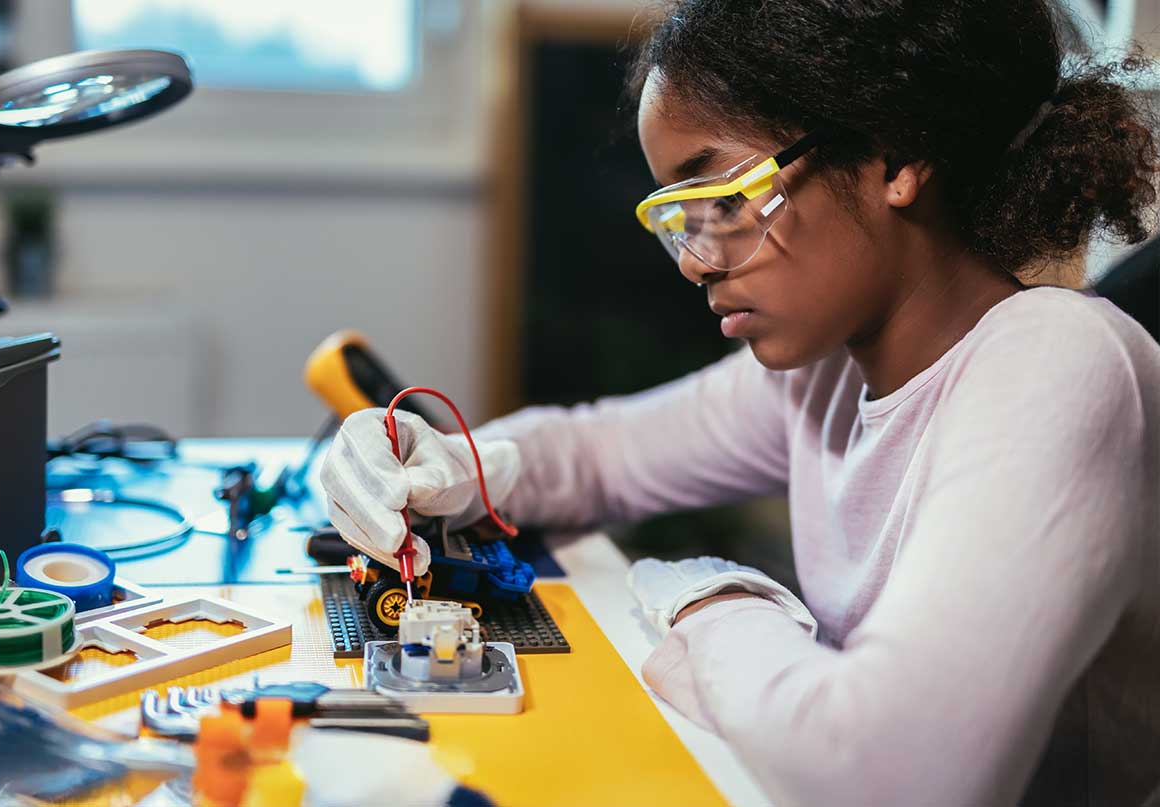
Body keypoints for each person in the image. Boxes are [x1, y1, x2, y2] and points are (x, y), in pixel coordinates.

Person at [320, 2, 1160, 804]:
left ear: (898, 157)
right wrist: (448, 464)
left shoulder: (1060, 359)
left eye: (722, 200)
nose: (694, 262)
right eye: (678, 218)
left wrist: (715, 608)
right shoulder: (826, 376)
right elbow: (598, 453)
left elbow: (885, 775)